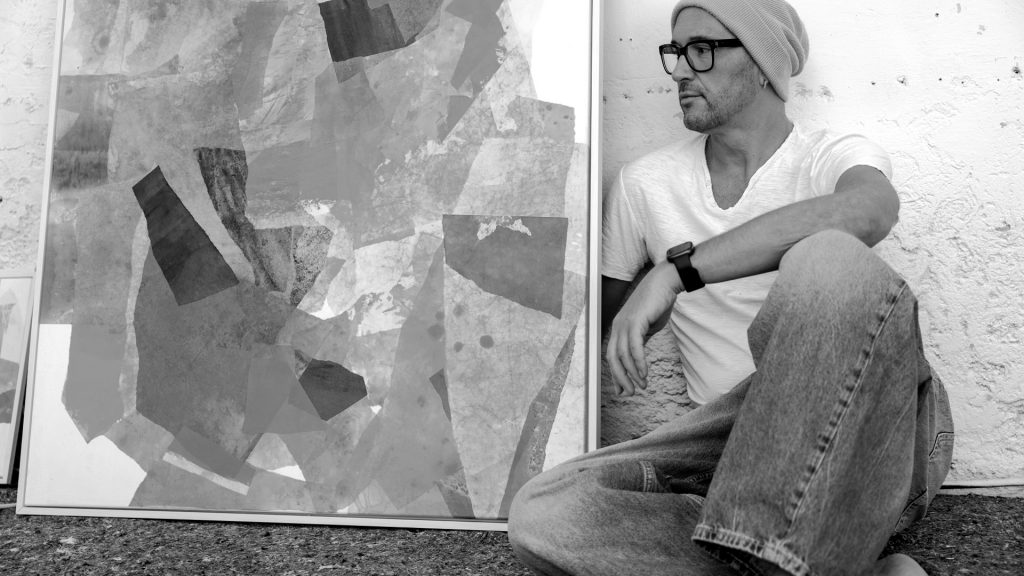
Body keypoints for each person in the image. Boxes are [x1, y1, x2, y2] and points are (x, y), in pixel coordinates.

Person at [507, 1, 955, 575]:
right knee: (542, 512)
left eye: (702, 50)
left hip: (867, 431)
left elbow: (871, 210)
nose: (680, 70)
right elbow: (581, 333)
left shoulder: (831, 158)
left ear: (763, 64)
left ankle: (768, 550)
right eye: (676, 52)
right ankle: (822, 563)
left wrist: (675, 272)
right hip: (727, 446)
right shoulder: (646, 185)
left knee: (829, 258)